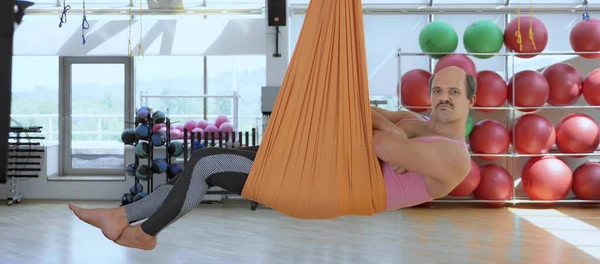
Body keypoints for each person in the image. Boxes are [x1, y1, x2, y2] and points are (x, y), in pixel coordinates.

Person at [68, 66, 475, 251]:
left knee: (205, 163)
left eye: (453, 93)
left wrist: (391, 133)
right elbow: (357, 109)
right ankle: (121, 218)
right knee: (200, 168)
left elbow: (378, 146)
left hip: (324, 189)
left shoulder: (454, 159)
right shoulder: (418, 125)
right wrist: (395, 129)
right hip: (315, 165)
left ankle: (146, 232)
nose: (442, 98)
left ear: (471, 100)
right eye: (438, 89)